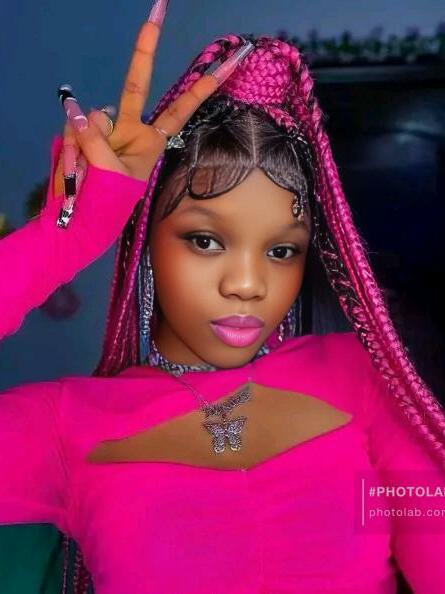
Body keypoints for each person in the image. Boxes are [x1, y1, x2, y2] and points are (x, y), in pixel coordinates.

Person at [1, 1, 445, 593]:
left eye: (281, 250)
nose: (248, 284)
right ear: (148, 239)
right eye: (206, 240)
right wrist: (64, 240)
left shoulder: (361, 381)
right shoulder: (61, 426)